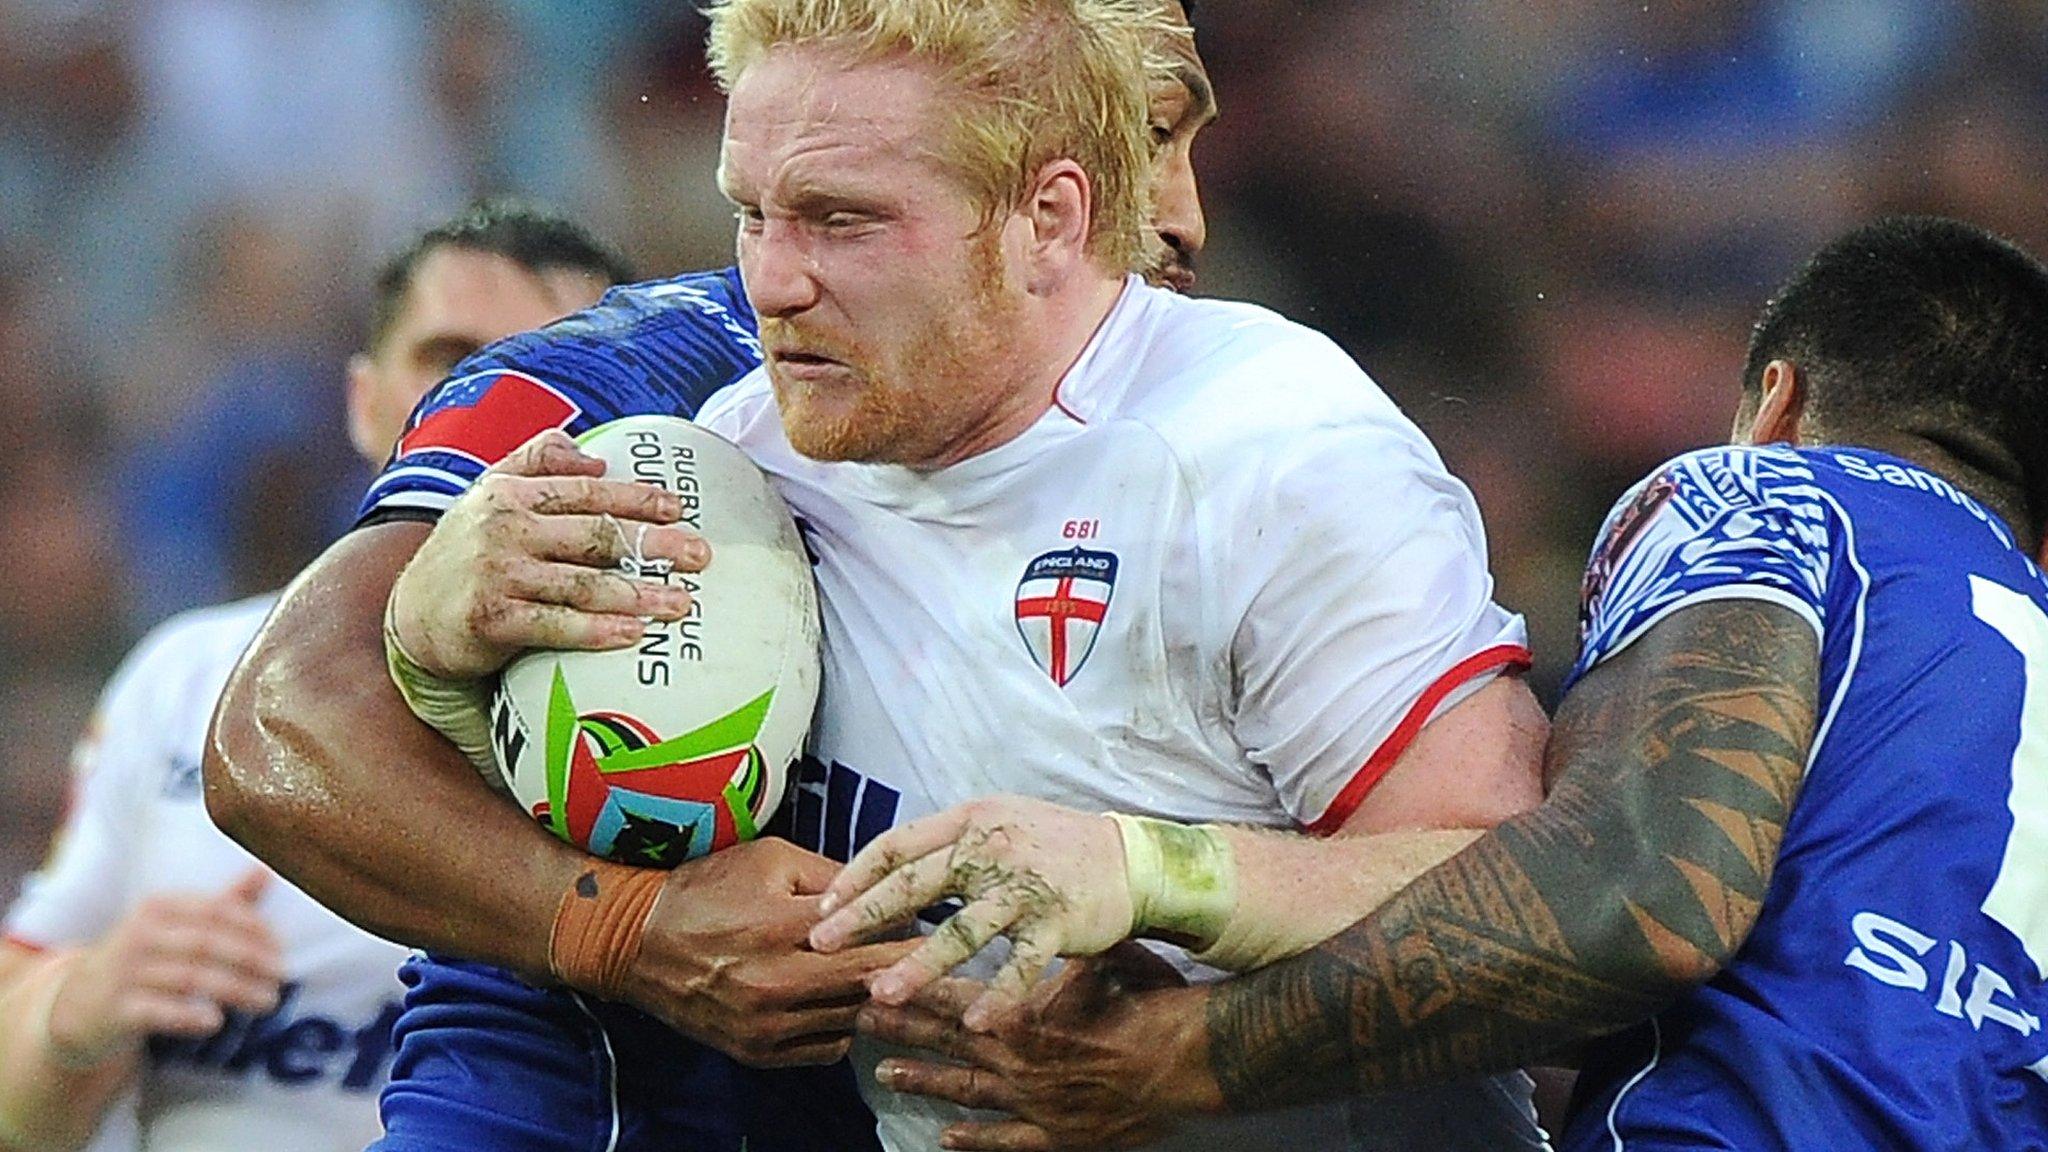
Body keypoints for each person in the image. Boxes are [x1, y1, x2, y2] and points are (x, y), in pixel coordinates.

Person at [207, 2, 1551, 1149]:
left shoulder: (1268, 454)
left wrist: (1165, 904)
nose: (776, 278)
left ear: (1050, 210)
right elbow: (306, 733)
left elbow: (1536, 905)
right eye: (754, 214)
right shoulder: (690, 449)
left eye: (840, 220)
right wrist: (433, 656)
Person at [829, 215, 2048, 1151]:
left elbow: (1642, 900)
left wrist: (1180, 1039)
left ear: (1772, 402)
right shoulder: (1995, 650)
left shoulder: (1772, 499)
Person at [0, 200, 633, 1152]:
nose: (498, 416)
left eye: (551, 371)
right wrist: (80, 1006)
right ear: (363, 401)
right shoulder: (188, 675)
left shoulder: (698, 717)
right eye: (454, 365)